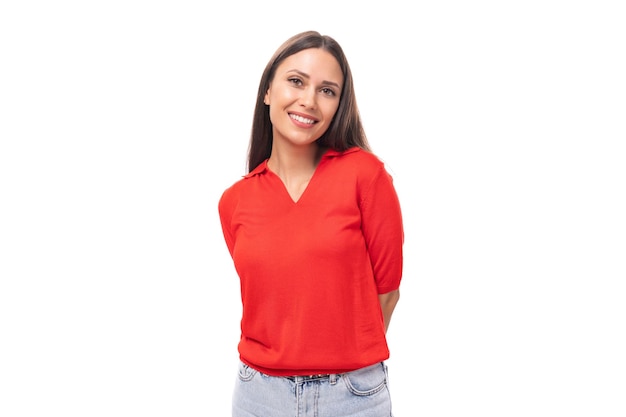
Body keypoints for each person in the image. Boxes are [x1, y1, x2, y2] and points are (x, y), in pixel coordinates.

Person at [218, 30, 404, 417]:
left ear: (339, 105)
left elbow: (387, 292)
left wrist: (343, 359)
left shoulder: (365, 176)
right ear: (268, 90)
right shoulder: (235, 202)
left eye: (327, 90)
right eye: (296, 81)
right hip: (259, 397)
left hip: (353, 396)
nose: (309, 100)